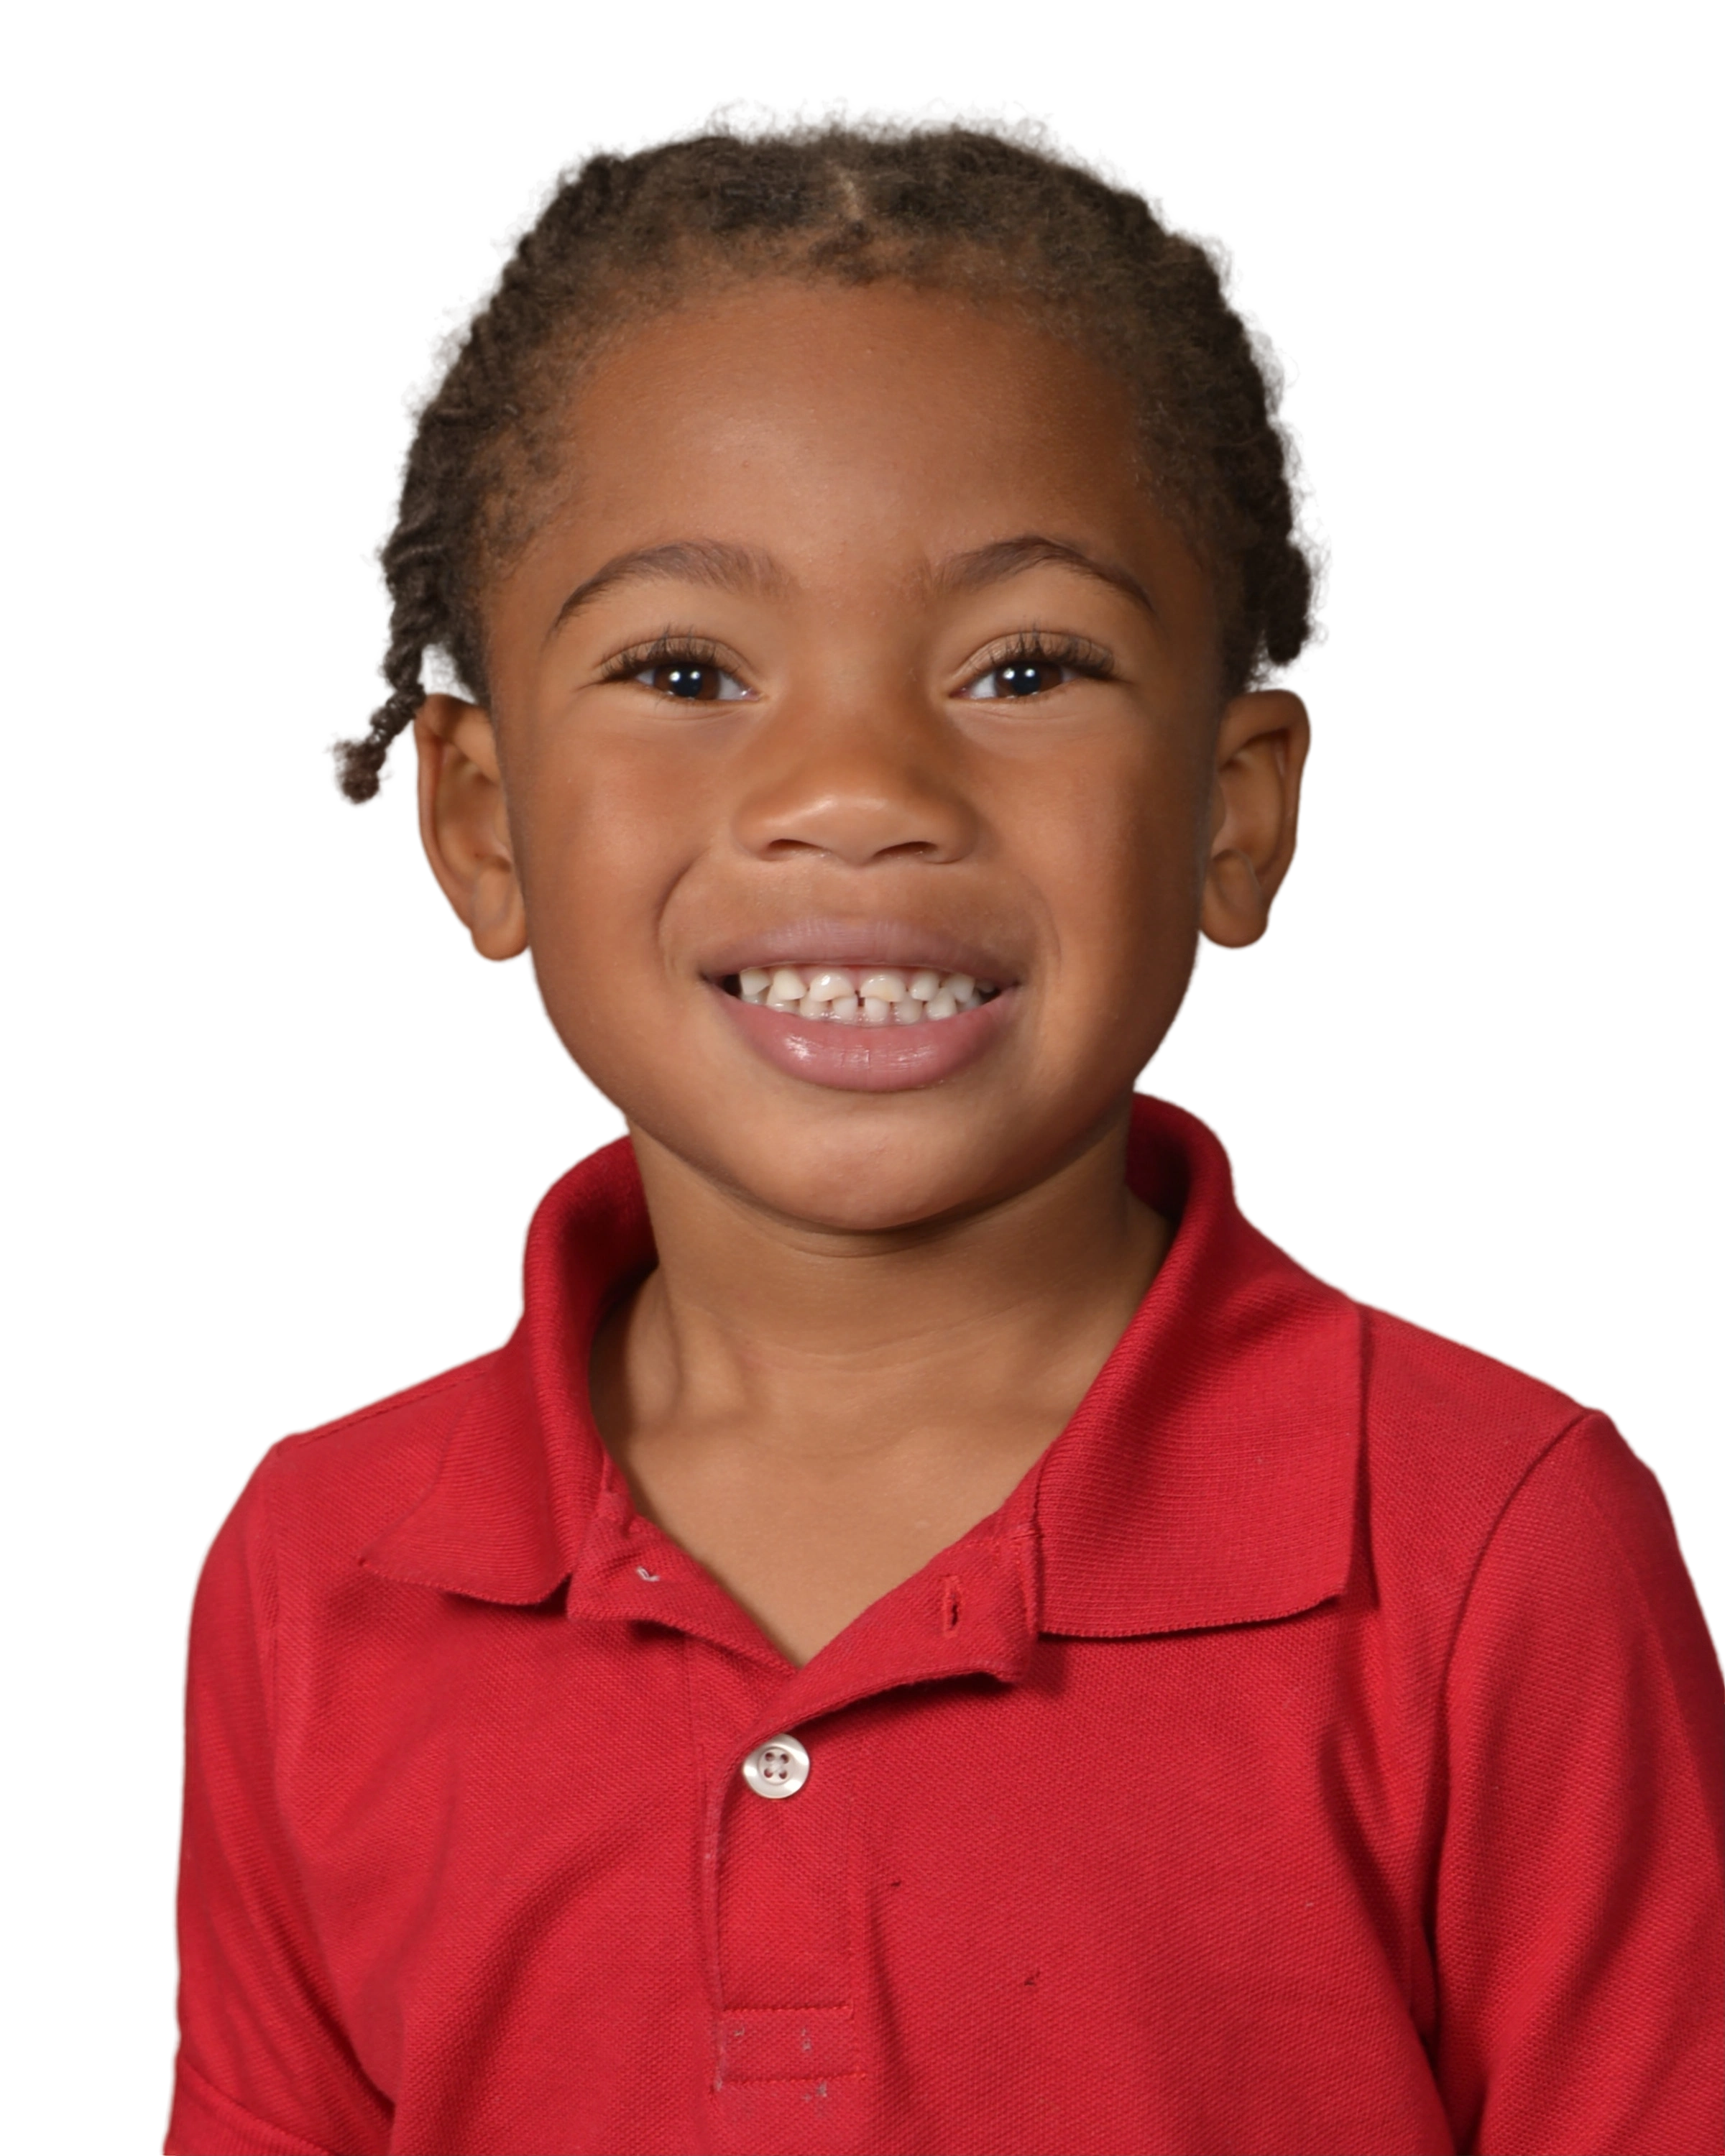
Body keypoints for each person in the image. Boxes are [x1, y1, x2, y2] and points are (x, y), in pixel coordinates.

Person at [160, 92, 1724, 2156]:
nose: (860, 788)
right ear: (477, 820)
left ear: (1234, 812)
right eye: (687, 670)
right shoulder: (321, 1572)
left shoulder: (1489, 1545)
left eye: (1025, 666)